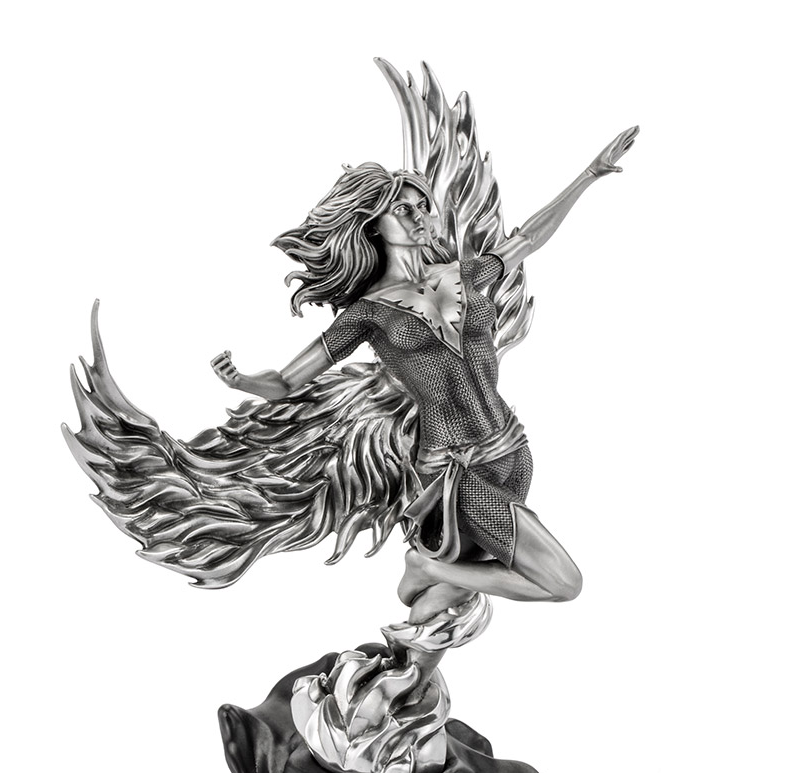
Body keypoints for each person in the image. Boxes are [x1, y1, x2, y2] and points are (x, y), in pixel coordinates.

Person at [211, 126, 636, 634]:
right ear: (373, 225)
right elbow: (286, 380)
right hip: (454, 469)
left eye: (422, 207)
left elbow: (527, 238)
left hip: (512, 449)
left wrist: (590, 173)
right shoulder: (367, 313)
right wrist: (243, 381)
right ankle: (425, 567)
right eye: (402, 209)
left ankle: (409, 663)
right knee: (563, 583)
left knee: (448, 598)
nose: (418, 217)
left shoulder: (462, 274)